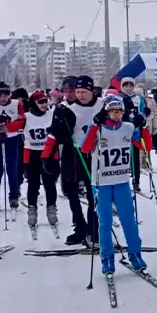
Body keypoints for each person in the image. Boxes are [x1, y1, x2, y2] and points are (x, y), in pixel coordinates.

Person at [80, 94, 151, 274]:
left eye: (119, 111)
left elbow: (145, 146)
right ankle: (107, 258)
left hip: (121, 181)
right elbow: (86, 149)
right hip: (101, 182)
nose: (116, 114)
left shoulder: (127, 127)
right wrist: (94, 126)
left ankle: (135, 254)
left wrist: (144, 128)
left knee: (129, 220)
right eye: (112, 111)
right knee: (104, 222)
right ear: (106, 111)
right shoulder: (98, 129)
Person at [44, 75, 101, 246]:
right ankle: (80, 227)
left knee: (94, 194)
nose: (77, 95)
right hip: (73, 153)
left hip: (97, 154)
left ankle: (94, 228)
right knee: (72, 192)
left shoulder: (101, 104)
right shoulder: (66, 108)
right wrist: (48, 157)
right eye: (74, 92)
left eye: (82, 91)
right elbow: (55, 135)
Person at [0, 82, 26, 211]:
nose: (3, 98)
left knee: (12, 169)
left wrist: (8, 127)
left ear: (9, 94)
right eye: (0, 95)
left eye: (6, 95)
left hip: (12, 138)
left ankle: (13, 197)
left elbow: (22, 120)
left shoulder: (16, 104)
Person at [22, 90, 59, 230]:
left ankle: (51, 209)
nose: (44, 104)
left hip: (49, 154)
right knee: (33, 184)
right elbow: (13, 127)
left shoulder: (51, 114)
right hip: (31, 154)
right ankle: (32, 210)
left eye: (45, 101)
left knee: (50, 183)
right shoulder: (26, 117)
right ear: (34, 103)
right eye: (40, 102)